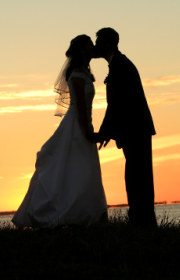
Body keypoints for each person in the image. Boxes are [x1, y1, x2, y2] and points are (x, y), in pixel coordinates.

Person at [12, 35, 107, 229]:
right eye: (89, 45)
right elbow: (80, 106)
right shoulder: (78, 75)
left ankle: (82, 215)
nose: (92, 48)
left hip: (82, 122)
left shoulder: (84, 73)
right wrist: (88, 131)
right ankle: (60, 214)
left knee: (80, 171)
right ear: (81, 49)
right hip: (77, 125)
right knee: (76, 169)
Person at [94, 27, 157, 227]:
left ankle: (142, 221)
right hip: (135, 130)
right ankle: (142, 220)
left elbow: (117, 104)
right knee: (138, 176)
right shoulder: (118, 64)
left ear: (109, 44)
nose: (96, 46)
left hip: (135, 130)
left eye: (99, 42)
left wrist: (105, 132)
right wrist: (107, 132)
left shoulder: (120, 65)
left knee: (138, 177)